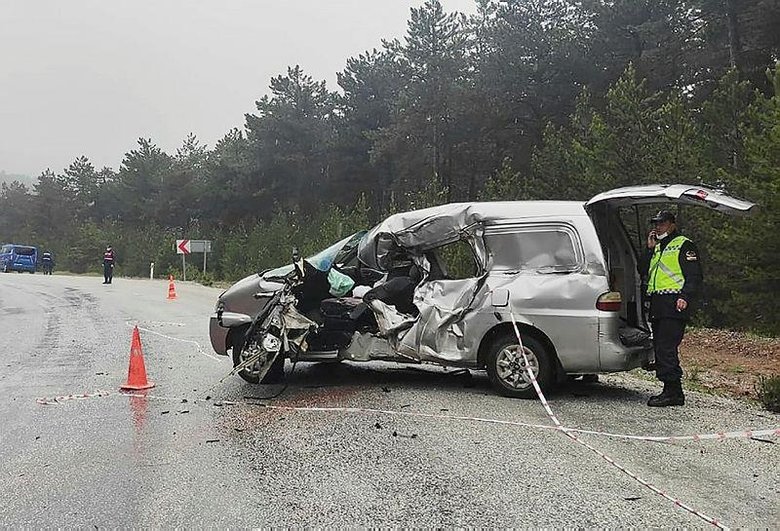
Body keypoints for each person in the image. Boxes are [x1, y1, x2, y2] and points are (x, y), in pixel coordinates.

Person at [640, 210, 702, 407]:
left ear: (672, 224)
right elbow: (643, 270)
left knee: (666, 347)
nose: (658, 227)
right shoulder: (658, 248)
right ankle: (669, 388)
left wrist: (685, 296)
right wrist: (649, 249)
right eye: (656, 223)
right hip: (659, 303)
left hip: (675, 303)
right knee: (660, 346)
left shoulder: (684, 244)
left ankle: (673, 391)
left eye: (662, 223)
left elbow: (694, 275)